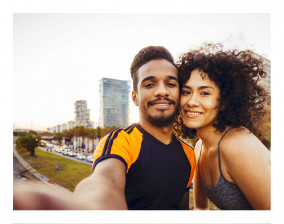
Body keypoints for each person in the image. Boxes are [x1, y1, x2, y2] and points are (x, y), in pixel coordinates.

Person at [14, 46, 196, 210]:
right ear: (134, 97)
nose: (162, 91)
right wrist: (91, 210)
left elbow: (181, 208)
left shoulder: (189, 154)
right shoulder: (121, 141)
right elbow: (104, 181)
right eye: (149, 84)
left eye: (171, 83)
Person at [176, 47, 271, 210]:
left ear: (224, 101)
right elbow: (201, 210)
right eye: (186, 92)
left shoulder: (239, 146)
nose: (191, 101)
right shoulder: (199, 148)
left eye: (204, 93)